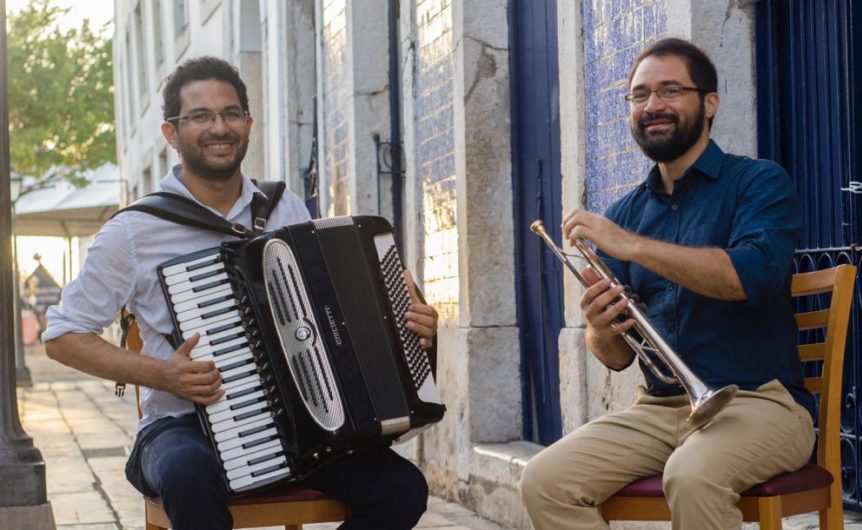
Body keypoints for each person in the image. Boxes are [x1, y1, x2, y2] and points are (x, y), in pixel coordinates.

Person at [44, 56, 438, 530]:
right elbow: (62, 335)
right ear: (172, 133)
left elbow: (335, 317)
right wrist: (163, 374)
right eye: (200, 116)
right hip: (184, 428)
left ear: (248, 124)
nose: (219, 127)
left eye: (231, 114)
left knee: (402, 490)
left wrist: (406, 325)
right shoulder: (133, 231)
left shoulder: (285, 209)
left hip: (305, 427)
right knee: (189, 477)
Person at [519, 38, 816, 529]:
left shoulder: (758, 182)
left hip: (761, 403)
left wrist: (633, 247)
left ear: (710, 102)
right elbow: (616, 358)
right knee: (544, 480)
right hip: (659, 410)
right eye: (639, 95)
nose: (652, 106)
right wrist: (601, 325)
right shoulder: (628, 213)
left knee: (693, 475)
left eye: (670, 90)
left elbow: (751, 275)